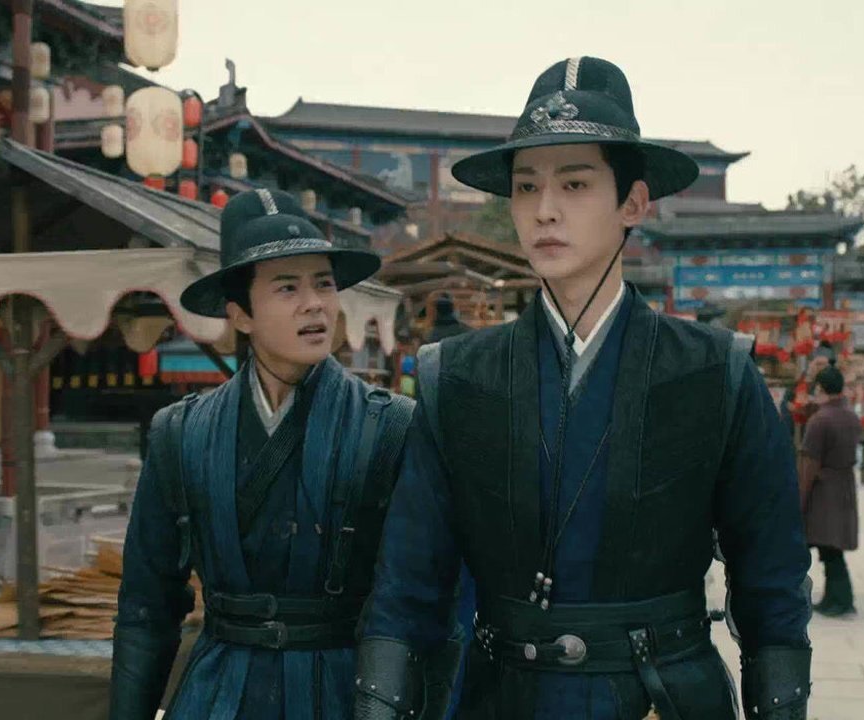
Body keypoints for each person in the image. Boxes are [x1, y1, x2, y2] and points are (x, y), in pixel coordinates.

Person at [354, 57, 812, 720]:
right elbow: (407, 584)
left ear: (633, 203)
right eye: (526, 187)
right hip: (504, 697)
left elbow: (772, 583)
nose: (544, 211)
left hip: (663, 696)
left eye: (574, 184)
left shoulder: (717, 372)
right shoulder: (455, 377)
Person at [110, 189, 436, 719]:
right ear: (240, 314)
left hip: (339, 690)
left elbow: (413, 599)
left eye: (323, 284)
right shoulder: (180, 433)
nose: (314, 304)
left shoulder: (391, 426)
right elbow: (147, 607)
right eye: (287, 287)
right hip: (218, 692)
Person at [798, 364, 861, 618]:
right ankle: (833, 597)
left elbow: (809, 464)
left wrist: (800, 499)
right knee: (832, 546)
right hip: (844, 485)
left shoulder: (820, 420)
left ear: (820, 389)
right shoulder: (851, 416)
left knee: (829, 546)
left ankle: (841, 599)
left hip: (824, 490)